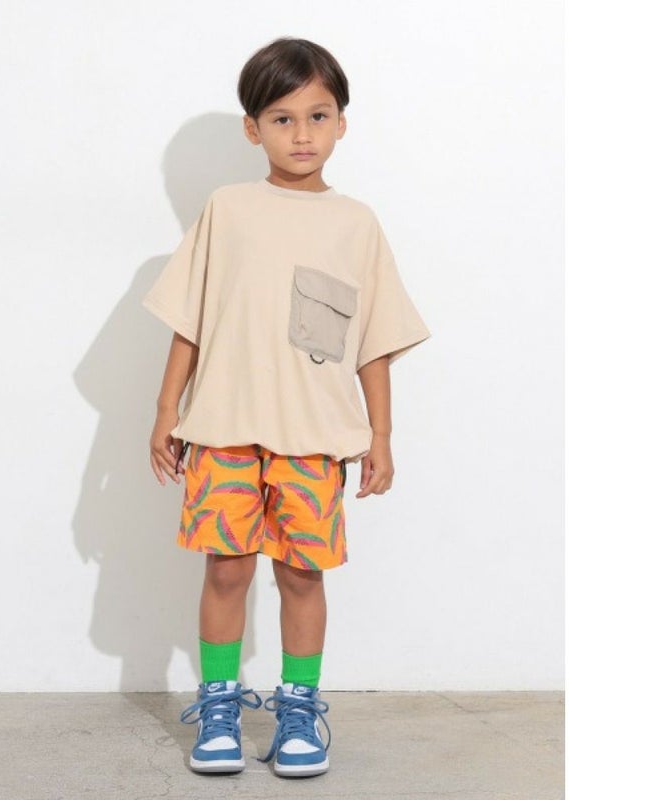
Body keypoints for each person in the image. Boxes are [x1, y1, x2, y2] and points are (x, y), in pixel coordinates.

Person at [143, 36, 431, 778]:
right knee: (227, 569)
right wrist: (166, 409)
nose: (301, 135)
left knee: (303, 573)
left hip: (314, 437)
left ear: (341, 123)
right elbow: (190, 320)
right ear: (253, 129)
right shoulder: (228, 209)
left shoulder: (356, 223)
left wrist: (381, 435)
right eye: (281, 118)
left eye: (317, 116)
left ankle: (298, 711)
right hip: (224, 430)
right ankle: (218, 707)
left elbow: (373, 340)